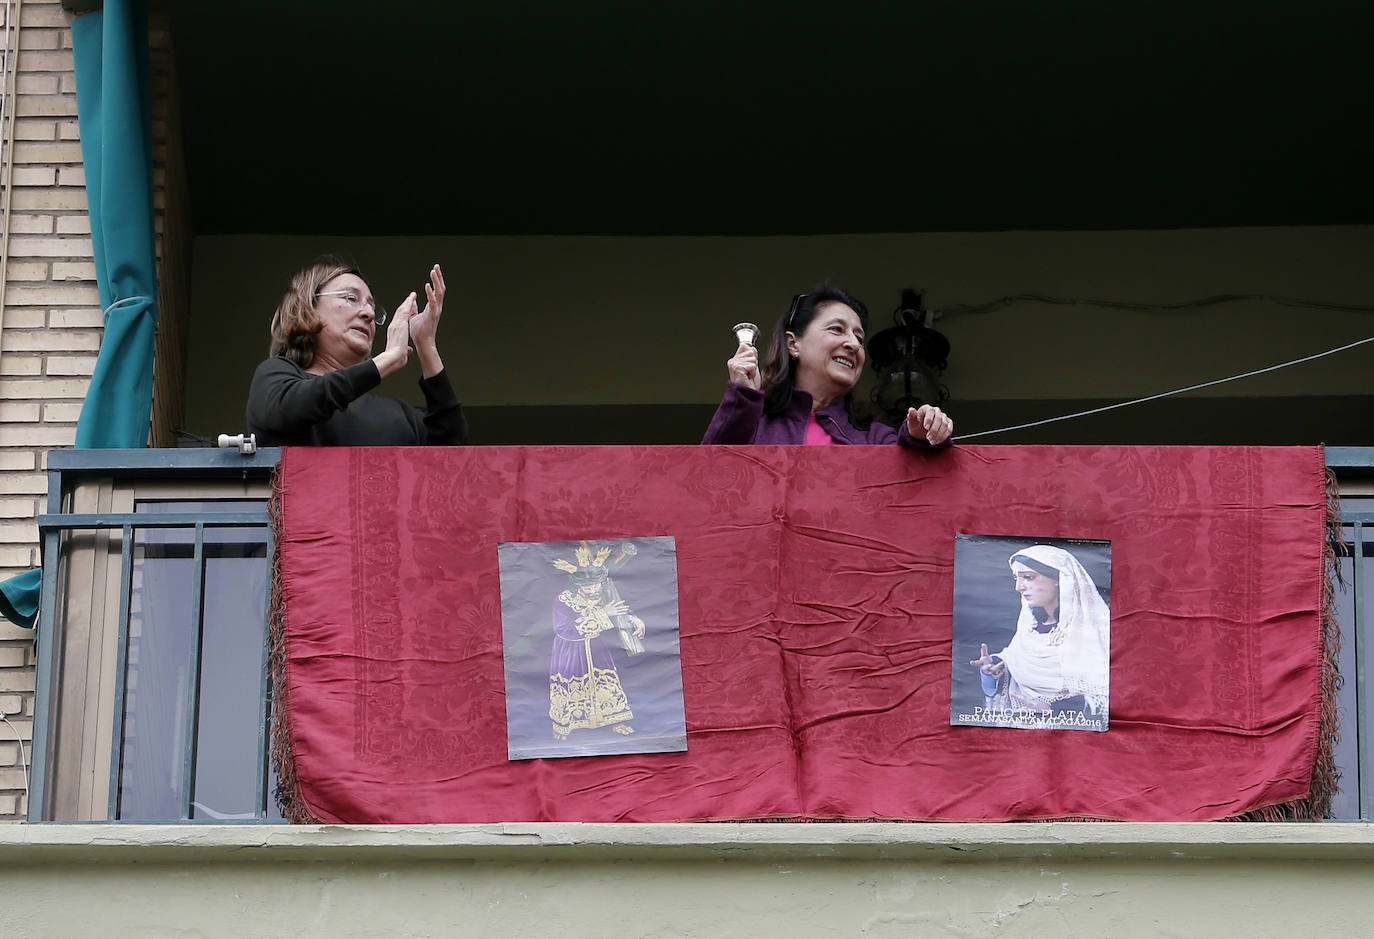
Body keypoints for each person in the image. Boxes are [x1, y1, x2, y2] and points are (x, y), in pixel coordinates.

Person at [246, 256, 468, 446]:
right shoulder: (276, 375)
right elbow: (290, 410)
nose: (368, 314)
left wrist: (425, 343)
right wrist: (388, 359)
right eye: (351, 298)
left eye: (372, 307)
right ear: (308, 308)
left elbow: (453, 452)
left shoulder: (398, 414)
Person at [702, 284, 953, 446]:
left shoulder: (873, 437)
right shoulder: (756, 422)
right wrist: (744, 399)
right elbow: (708, 478)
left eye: (859, 337)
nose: (853, 344)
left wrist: (923, 435)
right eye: (837, 329)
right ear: (793, 344)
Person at [970, 544, 1111, 721]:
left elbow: (1103, 693)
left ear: (1058, 578)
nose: (1019, 588)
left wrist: (1054, 708)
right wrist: (991, 672)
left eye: (1028, 577)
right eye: (1016, 578)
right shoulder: (1029, 631)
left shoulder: (1093, 631)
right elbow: (1013, 676)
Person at [549, 543, 645, 740]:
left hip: (596, 648)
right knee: (571, 685)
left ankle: (614, 721)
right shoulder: (563, 600)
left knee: (605, 683)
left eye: (596, 585)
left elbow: (621, 609)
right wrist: (604, 613)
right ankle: (564, 725)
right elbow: (563, 630)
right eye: (588, 586)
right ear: (577, 585)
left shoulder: (602, 593)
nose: (593, 589)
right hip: (570, 650)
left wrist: (634, 618)